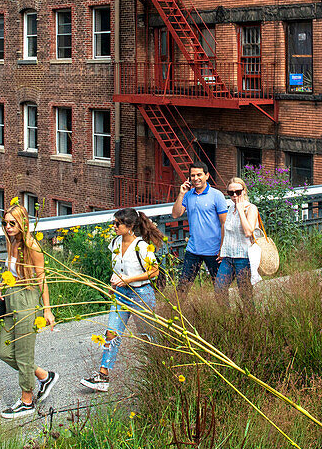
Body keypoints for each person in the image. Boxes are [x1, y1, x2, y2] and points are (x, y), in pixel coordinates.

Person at [81, 208, 163, 393]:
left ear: (130, 226)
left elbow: (154, 272)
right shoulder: (115, 242)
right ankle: (103, 375)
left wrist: (127, 280)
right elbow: (117, 267)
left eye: (118, 223)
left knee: (147, 335)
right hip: (121, 294)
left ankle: (159, 367)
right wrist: (115, 282)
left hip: (141, 294)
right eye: (114, 223)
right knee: (111, 333)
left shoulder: (141, 246)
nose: (115, 226)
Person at [0, 203, 58, 419]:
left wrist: (47, 311)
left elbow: (42, 278)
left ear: (23, 223)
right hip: (11, 298)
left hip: (26, 299)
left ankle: (27, 400)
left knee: (23, 353)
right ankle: (44, 375)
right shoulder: (11, 242)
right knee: (4, 352)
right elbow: (8, 271)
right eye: (5, 223)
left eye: (12, 223)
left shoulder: (32, 246)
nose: (8, 227)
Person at [172, 163, 227, 294]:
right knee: (182, 289)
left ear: (207, 176)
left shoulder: (217, 195)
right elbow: (176, 214)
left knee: (220, 290)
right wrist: (181, 194)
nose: (196, 178)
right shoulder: (188, 195)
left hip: (214, 250)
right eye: (192, 175)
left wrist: (222, 248)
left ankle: (225, 314)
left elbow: (224, 223)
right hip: (193, 249)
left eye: (199, 175)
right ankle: (176, 315)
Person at [215, 177, 260, 307]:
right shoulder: (230, 209)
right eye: (230, 193)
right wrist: (222, 250)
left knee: (245, 294)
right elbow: (226, 230)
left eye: (238, 192)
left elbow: (248, 232)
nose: (234, 196)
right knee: (219, 289)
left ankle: (250, 322)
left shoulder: (251, 208)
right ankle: (227, 318)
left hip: (243, 257)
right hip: (228, 257)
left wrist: (240, 210)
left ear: (244, 191)